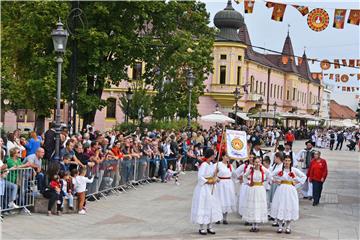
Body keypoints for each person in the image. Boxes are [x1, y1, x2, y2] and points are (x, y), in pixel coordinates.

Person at [270, 156, 306, 234]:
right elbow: (270, 175)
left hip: (290, 189)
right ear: (283, 161)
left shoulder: (294, 170)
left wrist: (296, 182)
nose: (287, 162)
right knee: (280, 205)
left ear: (290, 162)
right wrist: (276, 181)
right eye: (285, 160)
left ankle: (288, 226)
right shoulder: (280, 170)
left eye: (288, 161)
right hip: (281, 189)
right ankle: (280, 226)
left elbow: (304, 176)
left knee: (289, 205)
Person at [190, 149, 222, 235]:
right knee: (203, 205)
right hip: (204, 188)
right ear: (210, 156)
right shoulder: (204, 165)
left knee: (211, 205)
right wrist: (209, 181)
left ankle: (210, 226)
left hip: (211, 188)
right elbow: (200, 177)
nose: (214, 156)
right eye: (213, 155)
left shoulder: (211, 164)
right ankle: (201, 227)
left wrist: (216, 175)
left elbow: (212, 175)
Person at [242, 156, 270, 232]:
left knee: (258, 206)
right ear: (253, 163)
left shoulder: (263, 169)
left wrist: (265, 183)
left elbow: (269, 175)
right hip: (252, 188)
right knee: (252, 206)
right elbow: (244, 176)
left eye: (259, 162)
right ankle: (252, 225)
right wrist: (248, 183)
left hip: (260, 189)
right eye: (256, 162)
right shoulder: (250, 169)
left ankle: (257, 225)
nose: (257, 163)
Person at [214, 155, 236, 225]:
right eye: (226, 156)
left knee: (226, 200)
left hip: (228, 184)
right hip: (220, 184)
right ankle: (218, 218)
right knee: (220, 200)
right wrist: (216, 177)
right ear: (222, 157)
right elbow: (213, 173)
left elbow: (234, 174)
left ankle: (225, 218)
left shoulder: (230, 166)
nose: (227, 158)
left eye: (228, 157)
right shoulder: (218, 164)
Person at [234, 153, 255, 222]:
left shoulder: (257, 166)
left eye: (252, 157)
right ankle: (245, 217)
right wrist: (239, 177)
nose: (251, 158)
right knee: (245, 200)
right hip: (245, 185)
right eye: (250, 157)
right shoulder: (244, 166)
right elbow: (235, 172)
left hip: (253, 185)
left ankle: (251, 217)